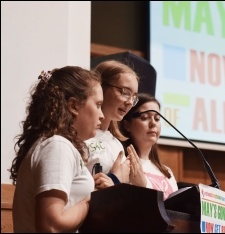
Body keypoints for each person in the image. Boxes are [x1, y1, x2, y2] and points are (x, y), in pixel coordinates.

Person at [9, 66, 104, 232]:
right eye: (98, 105)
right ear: (74, 106)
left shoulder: (56, 145)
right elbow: (51, 225)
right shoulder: (58, 147)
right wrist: (92, 200)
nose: (101, 115)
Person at [85, 60, 139, 188]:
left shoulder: (116, 145)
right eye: (125, 92)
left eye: (134, 97)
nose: (130, 102)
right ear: (101, 87)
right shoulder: (81, 136)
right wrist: (114, 180)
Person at [120, 93, 178, 199]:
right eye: (144, 117)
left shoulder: (167, 172)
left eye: (157, 119)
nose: (153, 123)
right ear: (127, 125)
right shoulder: (123, 164)